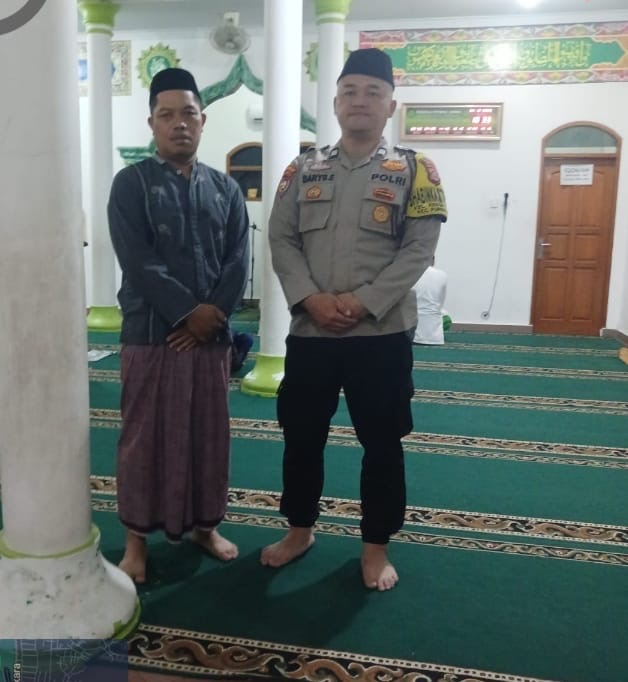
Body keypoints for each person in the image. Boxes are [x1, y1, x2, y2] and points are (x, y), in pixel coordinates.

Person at [262, 48, 447, 590]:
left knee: (383, 443)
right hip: (311, 332)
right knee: (301, 437)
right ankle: (299, 530)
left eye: (372, 92)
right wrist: (310, 299)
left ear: (391, 105)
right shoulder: (303, 168)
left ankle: (375, 547)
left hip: (380, 335)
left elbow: (419, 250)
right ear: (336, 103)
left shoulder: (415, 170)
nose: (360, 101)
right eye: (350, 92)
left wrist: (364, 302)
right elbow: (281, 238)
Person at [107, 67, 250, 583]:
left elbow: (239, 260)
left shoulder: (226, 189)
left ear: (203, 120)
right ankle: (136, 542)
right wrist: (189, 313)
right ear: (152, 124)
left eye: (188, 113)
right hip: (151, 335)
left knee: (208, 436)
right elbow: (137, 259)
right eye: (166, 115)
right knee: (143, 439)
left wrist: (210, 318)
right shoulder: (131, 185)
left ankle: (205, 527)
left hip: (209, 340)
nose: (179, 124)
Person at [412, 263, 448, 345]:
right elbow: (441, 302)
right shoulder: (442, 275)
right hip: (436, 338)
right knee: (444, 313)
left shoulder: (408, 273)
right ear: (433, 260)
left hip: (411, 334)